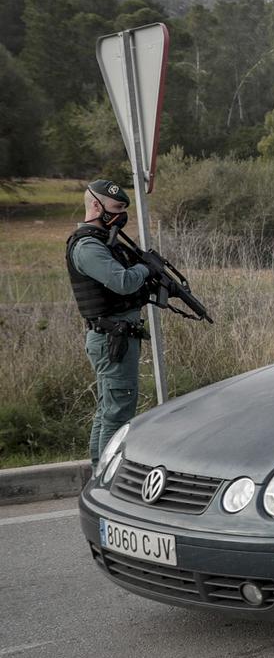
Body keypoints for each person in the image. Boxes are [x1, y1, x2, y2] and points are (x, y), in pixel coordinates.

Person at [67, 178, 160, 462]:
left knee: (110, 409)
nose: (121, 215)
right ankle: (105, 476)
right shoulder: (88, 247)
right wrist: (146, 269)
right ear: (96, 205)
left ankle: (98, 471)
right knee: (117, 412)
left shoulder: (104, 242)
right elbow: (122, 282)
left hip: (118, 336)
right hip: (112, 339)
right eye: (116, 207)